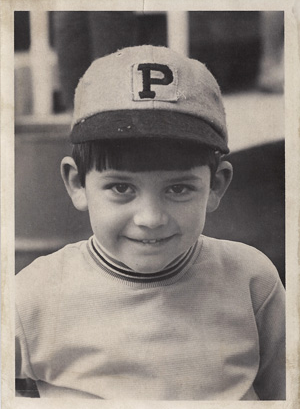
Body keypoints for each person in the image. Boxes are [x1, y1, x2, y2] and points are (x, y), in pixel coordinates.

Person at [15, 45, 285, 400]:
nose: (151, 219)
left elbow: (284, 393)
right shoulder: (31, 298)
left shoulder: (253, 282)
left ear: (216, 184)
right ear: (77, 184)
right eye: (121, 187)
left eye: (178, 188)